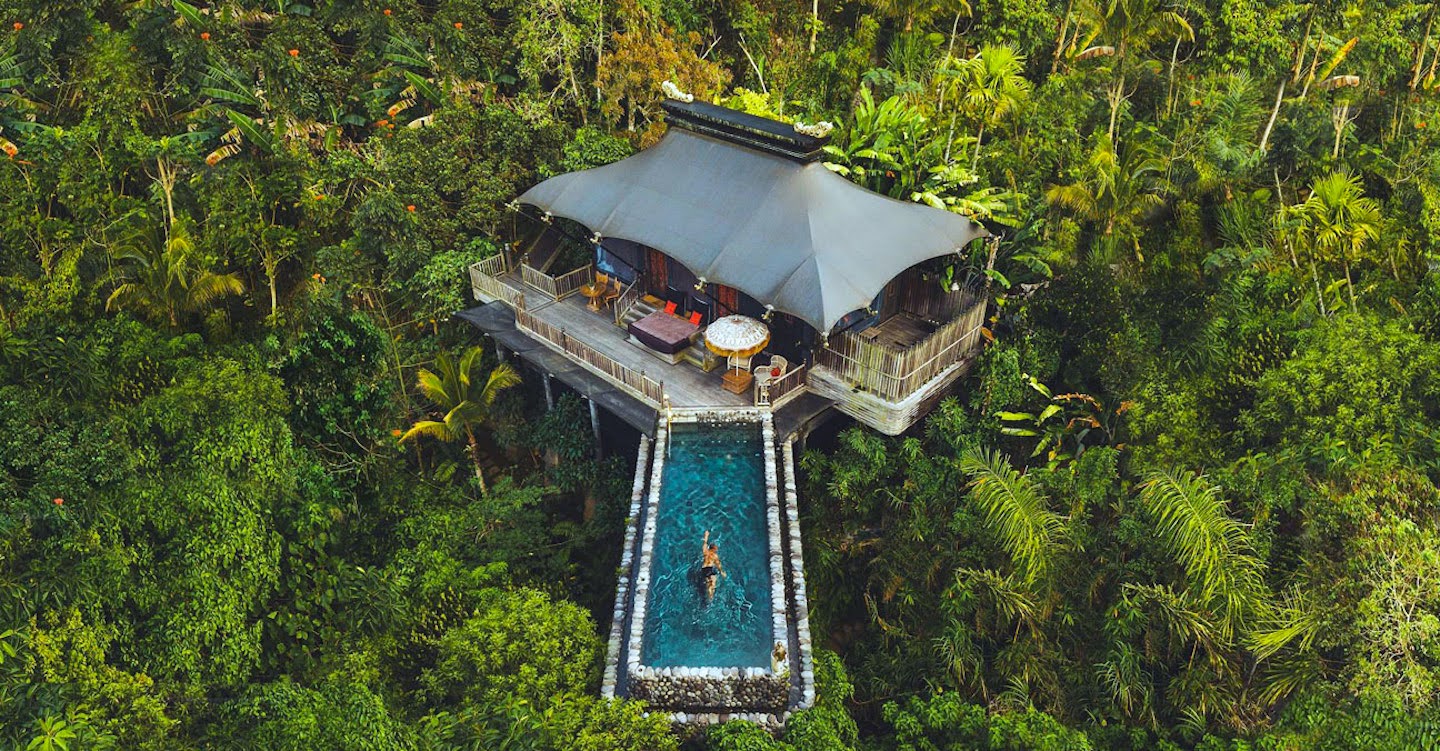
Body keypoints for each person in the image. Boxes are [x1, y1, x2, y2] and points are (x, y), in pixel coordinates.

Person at [700, 530, 726, 602]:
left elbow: (704, 543)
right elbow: (718, 565)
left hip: (704, 569)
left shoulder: (705, 551)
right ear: (714, 549)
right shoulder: (714, 555)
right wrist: (722, 572)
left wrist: (706, 535)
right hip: (710, 569)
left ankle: (708, 597)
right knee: (713, 584)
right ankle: (710, 599)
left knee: (708, 584)